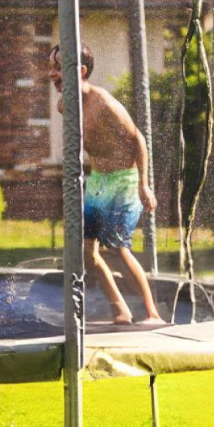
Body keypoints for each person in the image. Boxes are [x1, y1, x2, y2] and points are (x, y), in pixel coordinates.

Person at [49, 43, 165, 325]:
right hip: (99, 180)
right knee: (88, 250)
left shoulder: (105, 104)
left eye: (57, 67)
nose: (50, 73)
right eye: (51, 66)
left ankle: (153, 314)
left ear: (81, 71)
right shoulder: (65, 104)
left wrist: (144, 185)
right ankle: (121, 310)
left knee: (117, 247)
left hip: (125, 179)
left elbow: (138, 140)